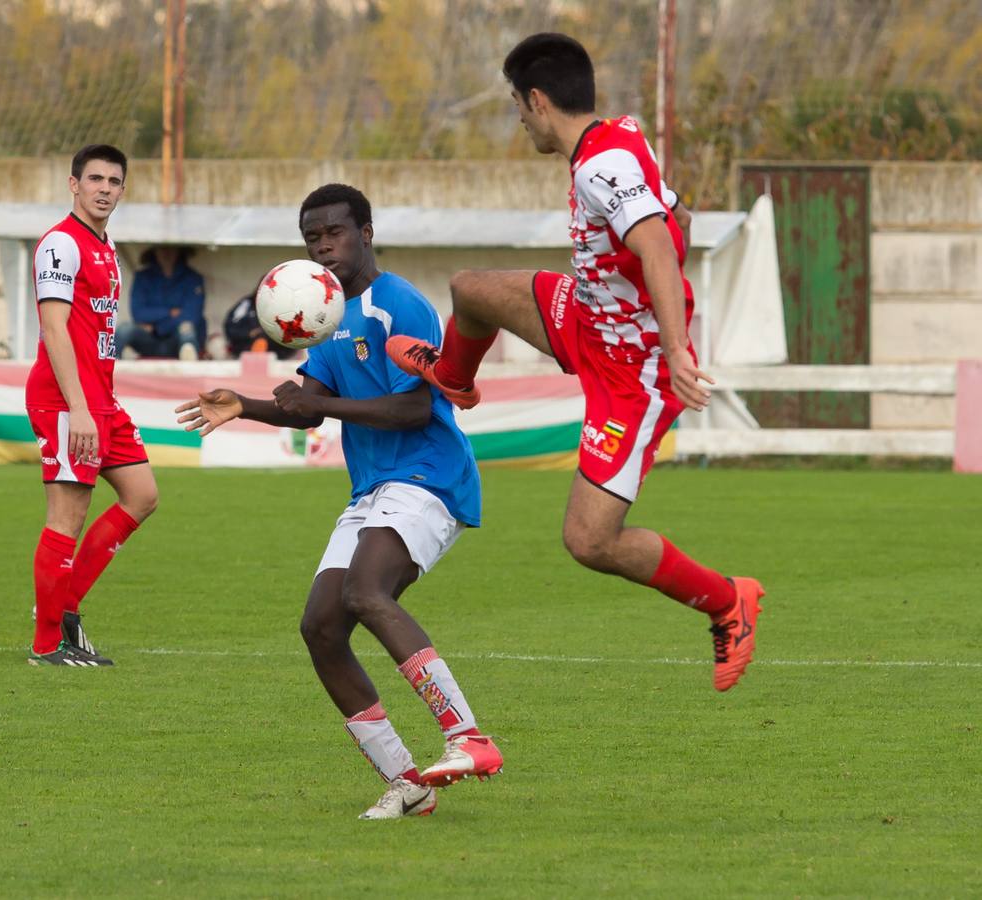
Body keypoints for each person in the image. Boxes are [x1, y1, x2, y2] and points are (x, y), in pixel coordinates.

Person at [385, 33, 765, 692]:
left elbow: (658, 248)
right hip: (586, 318)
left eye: (517, 107)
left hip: (633, 372)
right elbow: (679, 219)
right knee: (471, 289)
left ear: (536, 100)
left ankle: (726, 600)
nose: (519, 120)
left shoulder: (600, 166)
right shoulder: (620, 138)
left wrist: (672, 348)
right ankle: (451, 379)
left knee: (589, 541)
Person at [176, 184, 501, 820]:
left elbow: (413, 408)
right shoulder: (322, 311)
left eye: (335, 232)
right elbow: (308, 405)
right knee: (321, 627)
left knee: (364, 593)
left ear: (367, 232)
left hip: (429, 477)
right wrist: (245, 405)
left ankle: (469, 738)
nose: (324, 245)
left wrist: (316, 404)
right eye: (312, 238)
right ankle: (408, 783)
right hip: (374, 488)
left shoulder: (400, 305)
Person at [25, 144, 159, 667]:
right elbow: (54, 329)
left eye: (114, 181)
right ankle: (46, 644)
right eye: (95, 179)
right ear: (73, 184)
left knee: (142, 494)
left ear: (123, 189)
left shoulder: (106, 247)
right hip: (66, 400)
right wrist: (78, 408)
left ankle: (67, 611)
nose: (105, 188)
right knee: (67, 517)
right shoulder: (61, 244)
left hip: (101, 399)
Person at [118, 245, 205, 360]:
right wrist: (169, 312)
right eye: (161, 248)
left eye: (170, 248)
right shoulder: (142, 276)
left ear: (179, 251)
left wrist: (157, 327)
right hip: (149, 341)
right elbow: (138, 313)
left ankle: (189, 365)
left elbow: (192, 315)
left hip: (177, 340)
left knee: (186, 330)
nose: (166, 253)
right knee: (125, 329)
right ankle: (107, 364)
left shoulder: (193, 278)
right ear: (154, 251)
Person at [222, 283, 297, 360]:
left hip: (280, 352)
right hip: (245, 347)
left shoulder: (286, 307)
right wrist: (249, 333)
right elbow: (230, 328)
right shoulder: (247, 303)